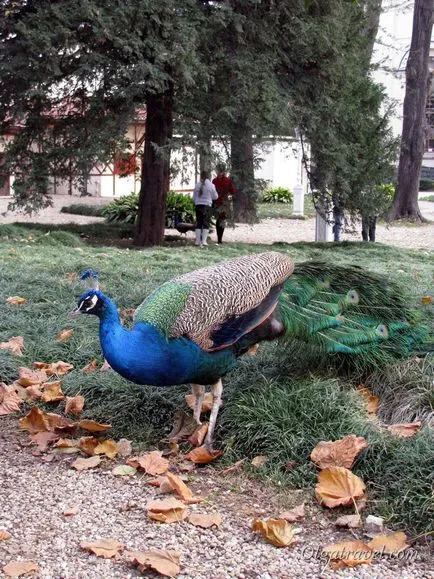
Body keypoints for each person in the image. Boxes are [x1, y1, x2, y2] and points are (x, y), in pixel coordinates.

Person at [193, 170, 218, 247]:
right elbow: (215, 196)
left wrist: (197, 201)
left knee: (199, 222)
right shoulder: (211, 185)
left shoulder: (197, 185)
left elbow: (194, 197)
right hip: (207, 205)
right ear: (208, 177)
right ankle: (204, 241)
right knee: (206, 223)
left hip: (198, 205)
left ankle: (197, 241)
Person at [212, 164, 236, 244]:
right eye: (218, 171)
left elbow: (232, 191)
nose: (219, 173)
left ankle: (220, 238)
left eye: (221, 171)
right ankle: (219, 237)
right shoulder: (214, 181)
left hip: (224, 203)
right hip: (216, 202)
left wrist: (229, 194)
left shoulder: (227, 181)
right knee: (218, 220)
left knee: (222, 220)